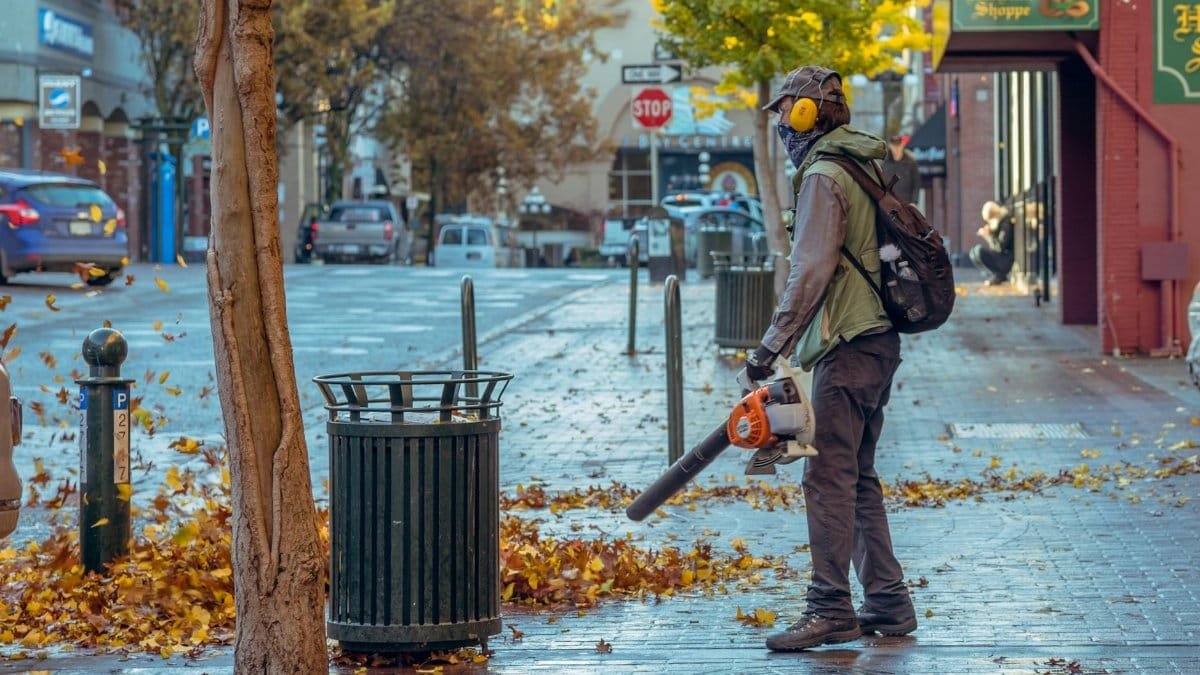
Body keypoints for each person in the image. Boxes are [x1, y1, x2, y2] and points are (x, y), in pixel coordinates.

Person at [743, 65, 917, 651]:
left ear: (804, 114)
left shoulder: (823, 174)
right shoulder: (859, 163)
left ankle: (830, 609)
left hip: (849, 344)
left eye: (785, 114)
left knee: (827, 478)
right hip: (877, 341)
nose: (782, 131)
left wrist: (772, 345)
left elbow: (811, 268)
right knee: (857, 474)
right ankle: (889, 603)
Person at [969, 201, 1014, 285]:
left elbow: (1000, 247)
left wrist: (988, 236)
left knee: (979, 250)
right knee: (973, 252)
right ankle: (995, 276)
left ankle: (999, 275)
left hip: (1006, 260)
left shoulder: (1006, 223)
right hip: (1002, 257)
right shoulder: (1000, 223)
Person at [881, 135, 921, 205]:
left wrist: (914, 202)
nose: (896, 148)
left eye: (898, 145)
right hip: (889, 204)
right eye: (894, 146)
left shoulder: (911, 162)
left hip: (906, 205)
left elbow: (916, 184)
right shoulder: (884, 163)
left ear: (902, 145)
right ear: (890, 146)